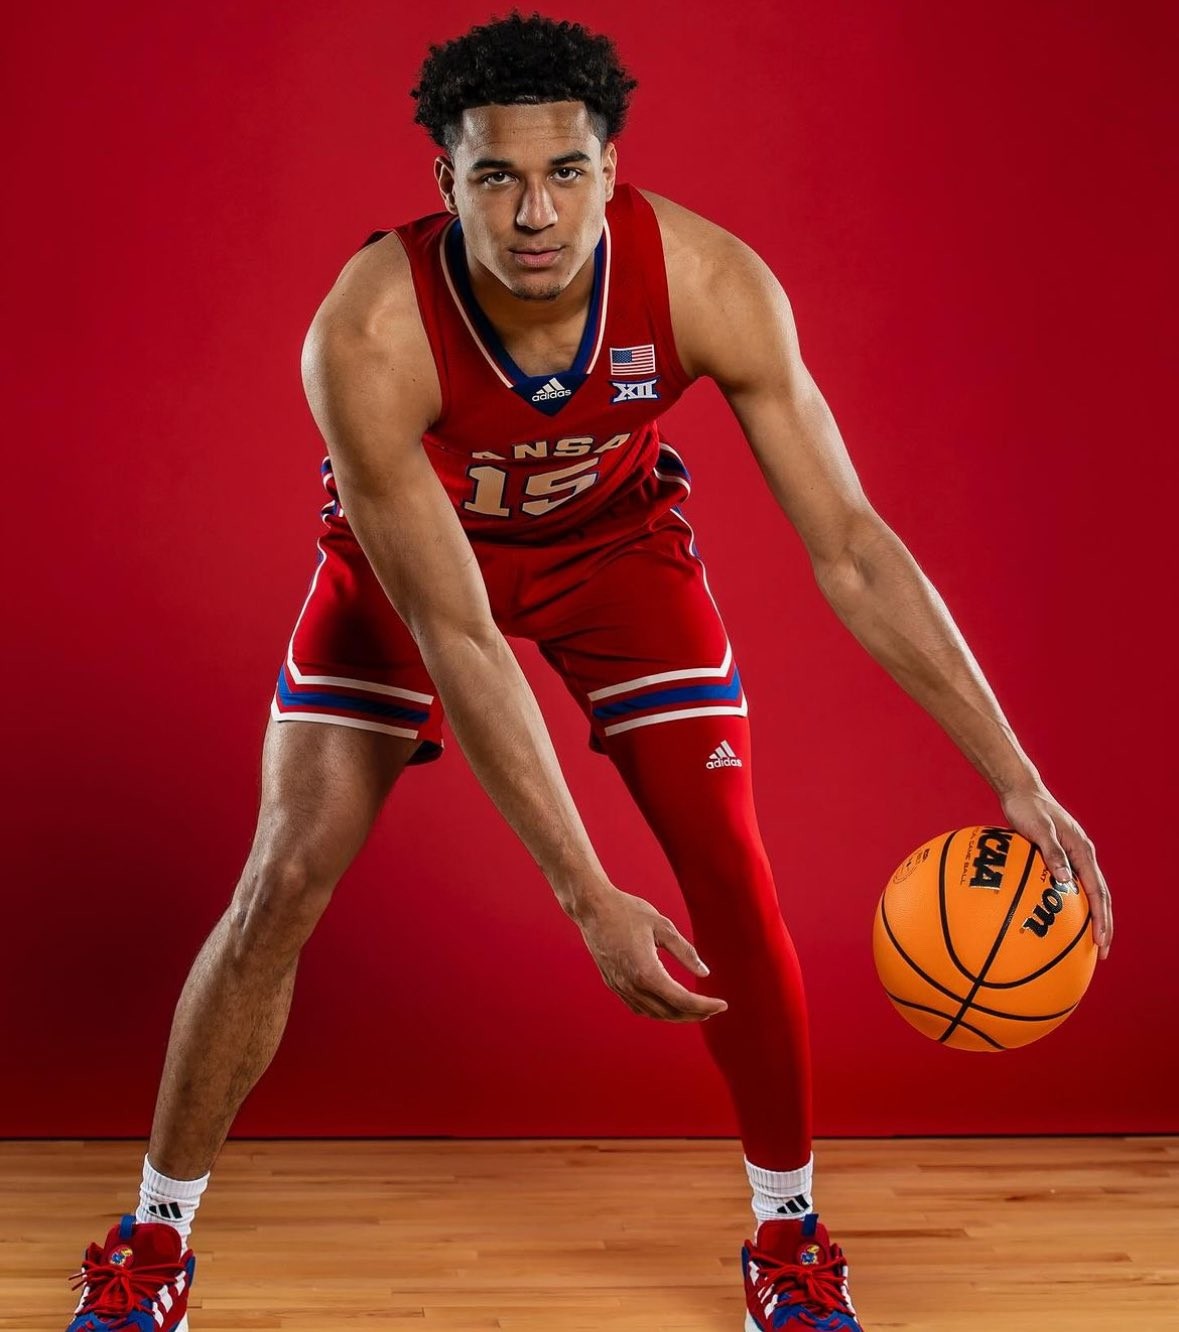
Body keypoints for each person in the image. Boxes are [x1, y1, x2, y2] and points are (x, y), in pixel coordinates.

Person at [63, 12, 1114, 1332]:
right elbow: (456, 630)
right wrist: (581, 891)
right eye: (495, 176)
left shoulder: (710, 283)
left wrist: (1014, 775)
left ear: (610, 168)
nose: (535, 213)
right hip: (416, 571)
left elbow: (851, 545)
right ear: (445, 181)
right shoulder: (369, 331)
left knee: (731, 874)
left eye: (565, 172)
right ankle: (154, 1238)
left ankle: (788, 1234)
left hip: (615, 554)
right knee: (281, 879)